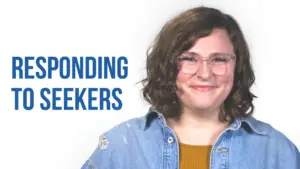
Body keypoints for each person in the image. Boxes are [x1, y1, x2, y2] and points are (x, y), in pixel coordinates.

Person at [81, 6, 300, 169]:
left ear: (237, 65)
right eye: (189, 58)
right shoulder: (121, 147)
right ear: (168, 65)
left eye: (219, 59)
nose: (205, 73)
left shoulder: (277, 152)